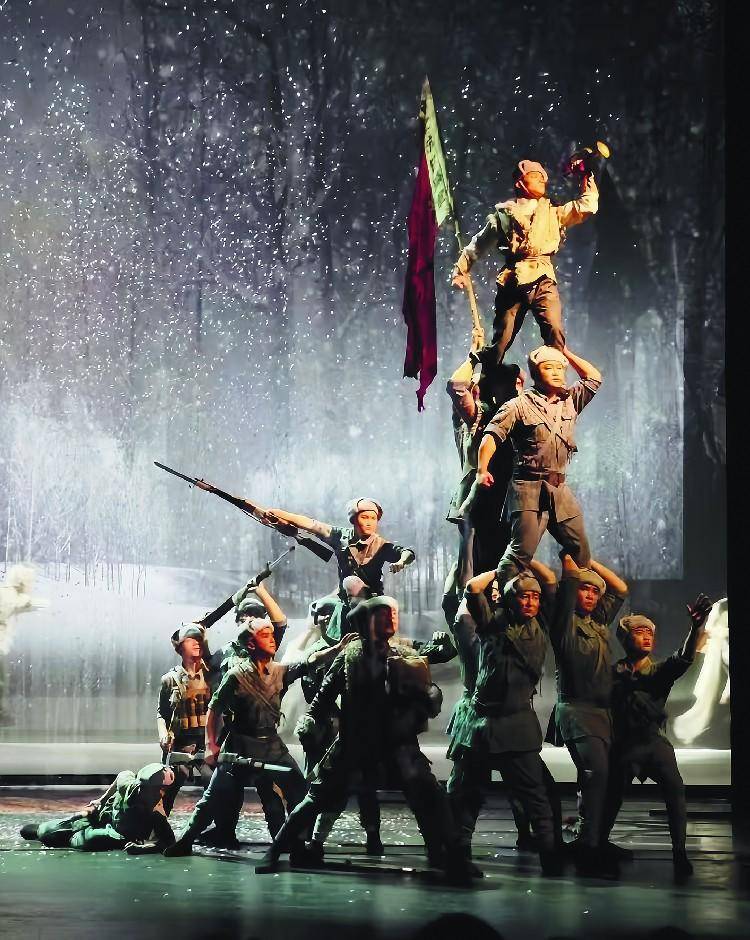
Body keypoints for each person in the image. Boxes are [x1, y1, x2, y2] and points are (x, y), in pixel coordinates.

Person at [254, 596, 473, 884]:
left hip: (399, 745)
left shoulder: (403, 652)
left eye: (394, 613)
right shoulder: (350, 655)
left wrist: (431, 689)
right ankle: (275, 851)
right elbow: (325, 693)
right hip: (355, 743)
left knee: (431, 797)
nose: (391, 618)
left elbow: (433, 671)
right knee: (315, 799)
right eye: (383, 614)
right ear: (367, 620)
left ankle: (451, 857)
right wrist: (310, 719)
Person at [163, 609, 356, 858]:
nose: (272, 639)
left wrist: (336, 649)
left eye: (272, 634)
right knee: (214, 797)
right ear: (251, 644)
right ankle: (186, 840)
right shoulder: (236, 675)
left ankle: (297, 844)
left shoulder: (279, 671)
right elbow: (215, 709)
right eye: (265, 635)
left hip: (271, 745)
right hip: (240, 745)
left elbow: (308, 662)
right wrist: (211, 745)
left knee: (299, 791)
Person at [447, 561, 562, 876]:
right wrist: (501, 569)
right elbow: (473, 588)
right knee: (465, 796)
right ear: (511, 599)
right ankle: (459, 856)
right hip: (481, 726)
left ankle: (550, 857)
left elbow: (551, 581)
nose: (530, 602)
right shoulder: (493, 622)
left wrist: (523, 560)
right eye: (524, 596)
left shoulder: (542, 625)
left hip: (516, 726)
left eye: (534, 597)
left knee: (535, 797)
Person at [603, 594, 712, 880]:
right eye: (639, 632)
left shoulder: (659, 671)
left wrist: (695, 628)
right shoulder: (612, 674)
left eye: (650, 632)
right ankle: (598, 842)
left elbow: (682, 659)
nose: (647, 636)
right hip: (625, 746)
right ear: (626, 639)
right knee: (611, 797)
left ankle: (679, 851)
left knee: (675, 791)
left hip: (653, 743)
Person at [472, 344, 601, 583]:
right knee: (521, 552)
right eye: (548, 367)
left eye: (560, 368)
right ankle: (497, 591)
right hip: (528, 487)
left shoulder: (570, 401)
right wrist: (482, 469)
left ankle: (572, 597)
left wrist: (565, 352)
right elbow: (491, 436)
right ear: (535, 372)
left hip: (558, 489)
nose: (556, 372)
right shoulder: (518, 405)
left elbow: (593, 377)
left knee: (581, 551)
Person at [451, 157, 598, 365]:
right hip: (513, 280)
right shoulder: (503, 216)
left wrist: (586, 175)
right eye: (535, 176)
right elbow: (477, 245)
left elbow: (587, 206)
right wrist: (461, 270)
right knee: (501, 339)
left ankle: (552, 376)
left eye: (543, 177)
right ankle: (487, 375)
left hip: (543, 278)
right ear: (520, 182)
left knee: (555, 331)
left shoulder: (553, 212)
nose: (542, 180)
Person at [546, 555, 628, 876]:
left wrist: (589, 562)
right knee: (597, 774)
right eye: (585, 589)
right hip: (577, 710)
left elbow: (620, 589)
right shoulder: (564, 623)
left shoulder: (598, 622)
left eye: (595, 591)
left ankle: (593, 838)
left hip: (604, 712)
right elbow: (567, 588)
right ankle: (589, 847)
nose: (591, 595)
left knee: (600, 778)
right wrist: (572, 564)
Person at [443, 334, 524, 626]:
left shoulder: (523, 414)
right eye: (513, 383)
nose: (518, 387)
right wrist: (473, 357)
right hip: (480, 501)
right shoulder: (479, 415)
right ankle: (469, 623)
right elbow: (457, 386)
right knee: (473, 567)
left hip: (511, 503)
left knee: (507, 568)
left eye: (520, 383)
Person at [259, 498, 415, 640]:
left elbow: (407, 552)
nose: (369, 522)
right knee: (320, 615)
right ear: (354, 519)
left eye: (373, 518)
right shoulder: (341, 536)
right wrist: (281, 514)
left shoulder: (381, 545)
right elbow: (313, 525)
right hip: (345, 603)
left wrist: (401, 562)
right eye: (364, 517)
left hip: (371, 606)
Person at [19, 763, 175, 853]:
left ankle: (69, 839)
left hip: (117, 834)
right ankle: (51, 833)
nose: (150, 794)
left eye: (158, 790)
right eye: (146, 789)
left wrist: (142, 849)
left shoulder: (156, 812)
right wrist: (100, 801)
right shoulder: (128, 785)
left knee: (87, 840)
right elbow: (122, 775)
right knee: (47, 830)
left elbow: (169, 842)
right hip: (103, 816)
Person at [157, 624, 214, 815]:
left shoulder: (213, 675)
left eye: (199, 640)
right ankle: (158, 828)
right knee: (166, 791)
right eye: (191, 640)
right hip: (180, 744)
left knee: (216, 790)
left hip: (206, 743)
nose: (197, 643)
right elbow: (162, 713)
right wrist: (163, 735)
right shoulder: (170, 679)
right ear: (180, 647)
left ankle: (216, 828)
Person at [0, 564, 49, 725]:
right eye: (30, 581)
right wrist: (44, 604)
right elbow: (22, 603)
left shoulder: (8, 594)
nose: (31, 585)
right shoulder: (9, 595)